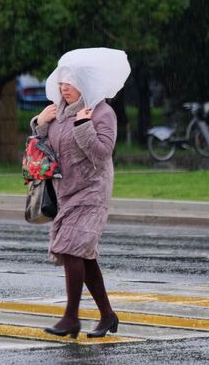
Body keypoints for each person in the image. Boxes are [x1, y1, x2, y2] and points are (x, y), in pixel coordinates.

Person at [30, 49, 128, 339]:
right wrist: (40, 124)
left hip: (92, 192)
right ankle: (108, 316)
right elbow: (42, 150)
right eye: (62, 82)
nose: (64, 88)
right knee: (83, 256)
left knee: (72, 247)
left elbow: (102, 154)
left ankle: (71, 317)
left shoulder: (102, 112)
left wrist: (84, 126)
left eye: (70, 83)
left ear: (85, 84)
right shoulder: (58, 114)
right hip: (66, 192)